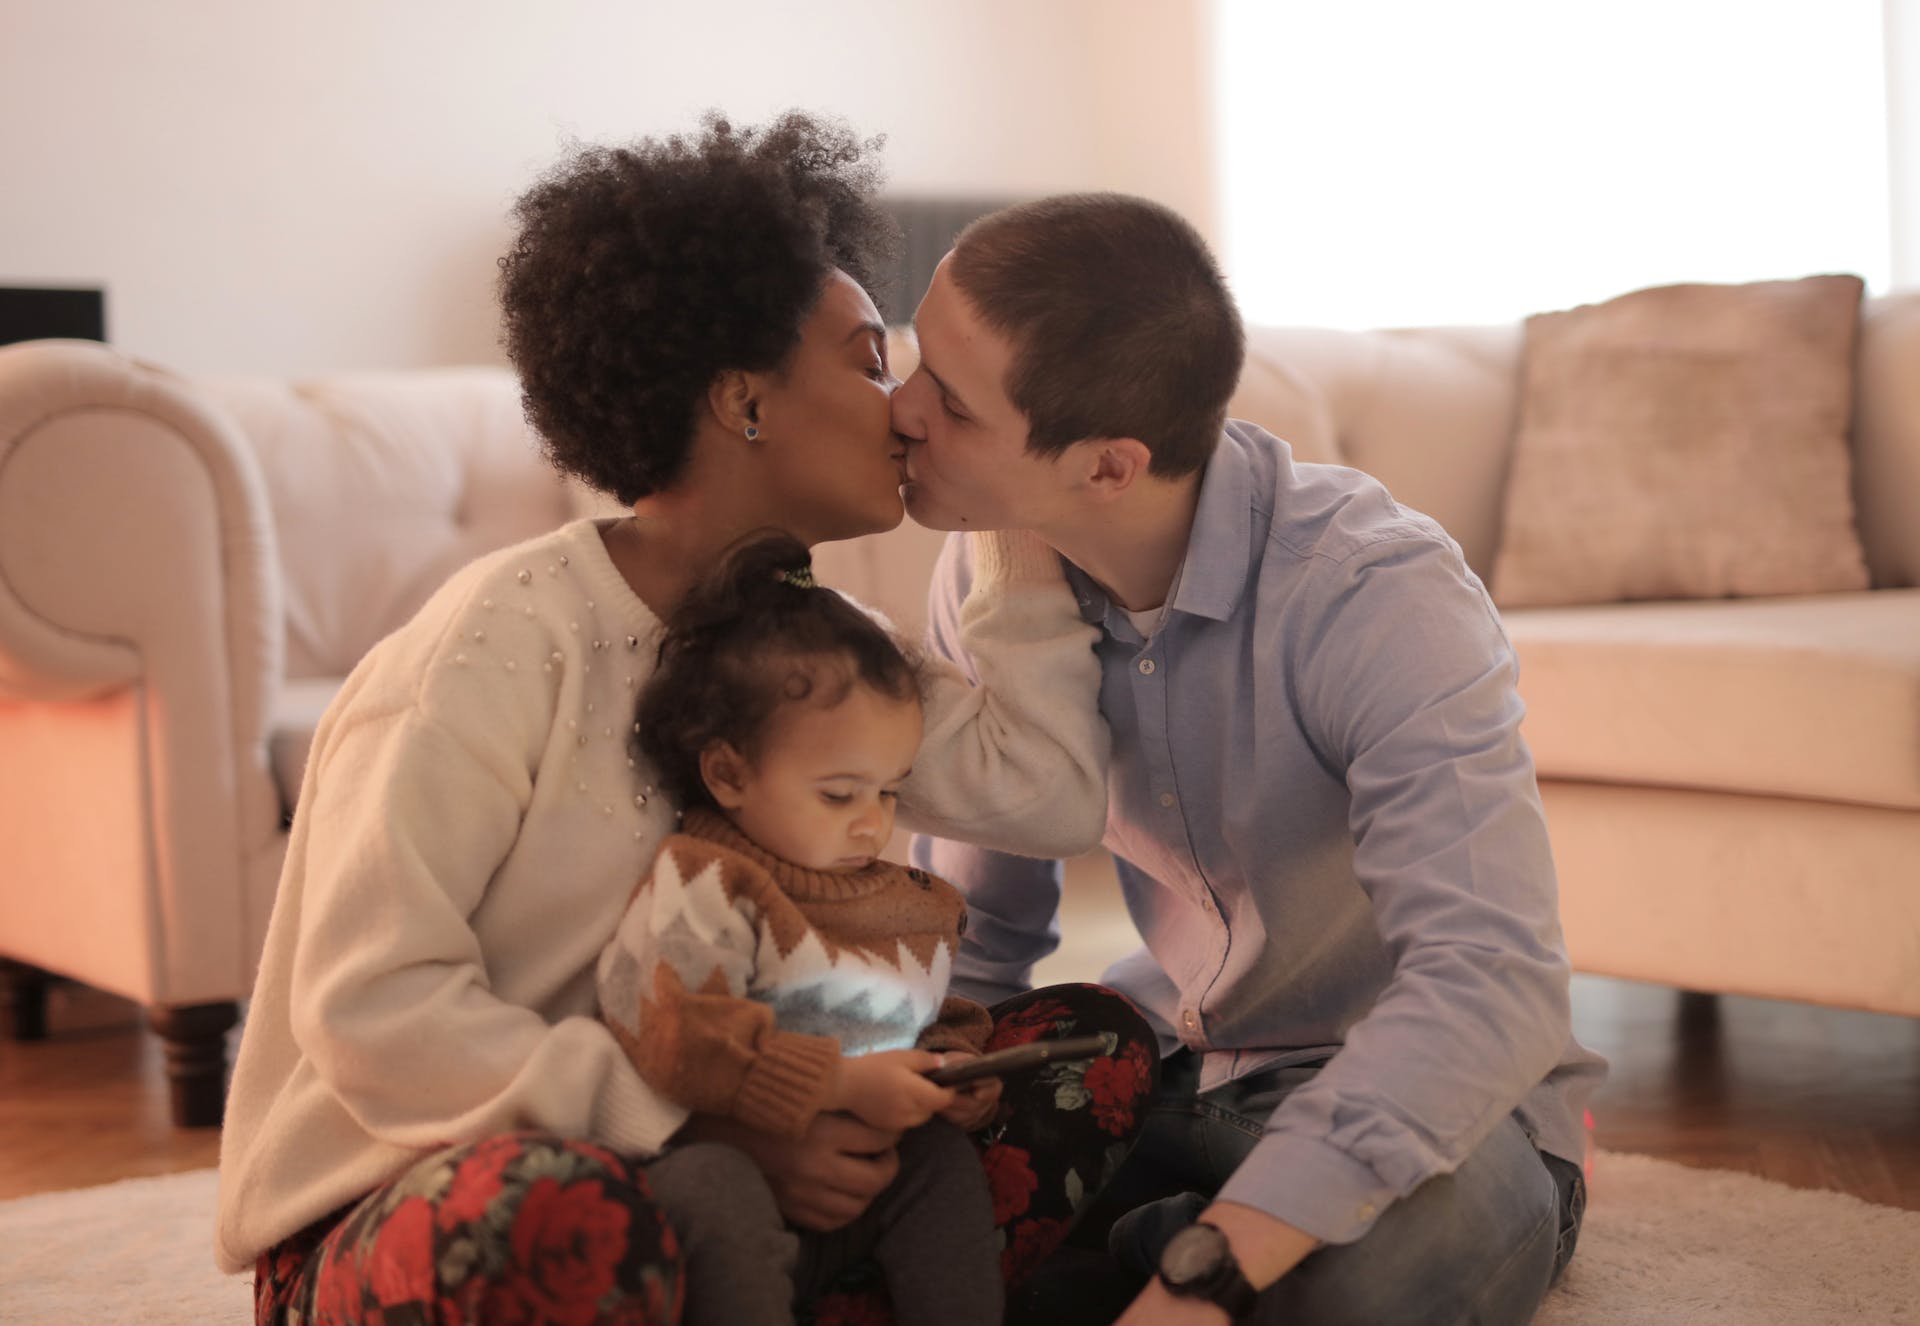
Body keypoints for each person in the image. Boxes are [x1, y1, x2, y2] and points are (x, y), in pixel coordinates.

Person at [216, 113, 1148, 1325]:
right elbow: (373, 1013)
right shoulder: (495, 644)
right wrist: (715, 1121)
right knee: (568, 1214)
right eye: (873, 361)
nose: (909, 406)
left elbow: (1054, 794)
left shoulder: (823, 650)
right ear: (742, 400)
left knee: (1097, 1053)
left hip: (749, 1174)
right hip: (438, 1194)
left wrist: (1010, 498)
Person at [897, 193, 1610, 1326]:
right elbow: (980, 934)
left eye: (951, 402)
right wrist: (927, 1119)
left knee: (1345, 1295)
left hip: (1435, 1107)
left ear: (1108, 467)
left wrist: (1217, 1266)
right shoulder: (994, 575)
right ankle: (1146, 1247)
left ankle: (1175, 1257)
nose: (901, 413)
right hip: (1176, 1067)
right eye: (913, 364)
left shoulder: (1377, 595)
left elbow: (1491, 984)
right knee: (890, 1243)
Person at [598, 530, 1004, 1326]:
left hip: (860, 1190)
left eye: (888, 793)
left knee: (941, 1161)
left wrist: (960, 1070)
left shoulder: (909, 903)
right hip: (728, 1192)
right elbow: (679, 1032)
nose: (870, 825)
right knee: (709, 1183)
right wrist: (843, 1083)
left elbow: (936, 1015)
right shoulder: (705, 880)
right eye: (838, 794)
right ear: (728, 773)